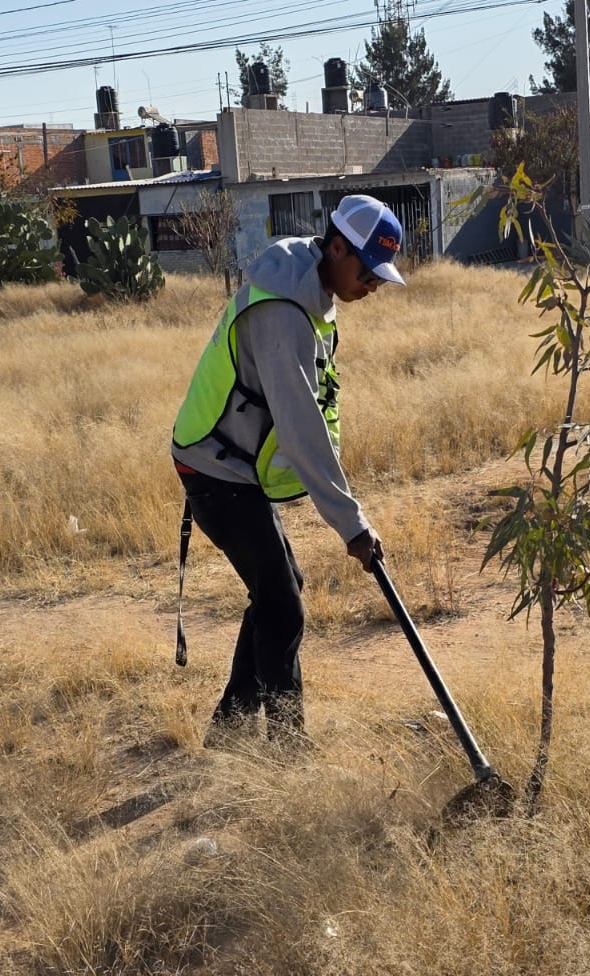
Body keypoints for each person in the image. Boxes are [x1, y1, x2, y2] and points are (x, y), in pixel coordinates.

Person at [171, 193, 405, 747]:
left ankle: (228, 732)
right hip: (213, 469)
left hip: (236, 470)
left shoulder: (311, 290)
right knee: (283, 604)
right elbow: (303, 432)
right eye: (368, 273)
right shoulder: (282, 314)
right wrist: (351, 524)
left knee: (278, 591)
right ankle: (286, 751)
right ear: (338, 246)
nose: (371, 287)